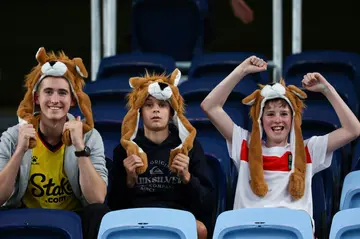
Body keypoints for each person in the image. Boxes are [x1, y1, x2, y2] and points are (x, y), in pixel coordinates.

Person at [201, 56, 360, 232]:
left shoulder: (309, 149)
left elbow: (353, 129)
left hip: (291, 233)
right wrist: (241, 71)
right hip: (248, 233)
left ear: (293, 119)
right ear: (260, 119)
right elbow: (210, 106)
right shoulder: (244, 143)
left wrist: (326, 90)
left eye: (284, 113)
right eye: (270, 114)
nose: (277, 120)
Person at [0, 47, 109, 239]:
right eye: (48, 92)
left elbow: (97, 199)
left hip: (73, 218)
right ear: (36, 98)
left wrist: (79, 148)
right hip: (25, 216)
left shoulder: (90, 136)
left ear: (73, 100)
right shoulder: (12, 136)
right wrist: (19, 151)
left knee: (99, 214)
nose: (55, 100)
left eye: (62, 93)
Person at [107, 69, 215, 239]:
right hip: (136, 218)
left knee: (200, 229)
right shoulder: (126, 149)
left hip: (177, 217)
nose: (155, 110)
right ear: (139, 112)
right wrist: (128, 180)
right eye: (149, 105)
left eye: (162, 105)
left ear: (172, 112)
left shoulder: (189, 147)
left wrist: (187, 178)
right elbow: (113, 206)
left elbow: (207, 204)